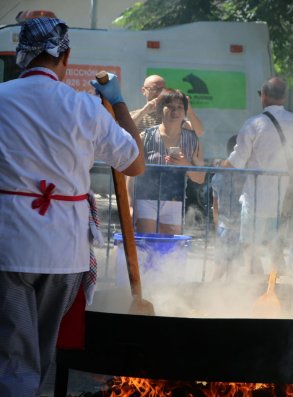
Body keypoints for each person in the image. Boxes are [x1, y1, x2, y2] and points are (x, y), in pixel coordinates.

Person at [0, 17, 144, 396]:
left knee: (14, 359)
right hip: (64, 253)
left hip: (8, 247)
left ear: (21, 56)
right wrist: (118, 102)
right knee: (40, 355)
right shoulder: (84, 107)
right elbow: (135, 164)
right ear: (66, 56)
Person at [220, 77, 293, 275]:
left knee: (251, 248)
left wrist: (218, 165)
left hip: (256, 198)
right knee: (276, 248)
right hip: (283, 199)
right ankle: (279, 290)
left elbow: (236, 161)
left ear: (264, 96)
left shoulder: (254, 124)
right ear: (285, 96)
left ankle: (253, 286)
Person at [129, 88, 205, 235]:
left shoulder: (193, 140)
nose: (175, 111)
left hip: (174, 199)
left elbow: (200, 178)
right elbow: (131, 173)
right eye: (169, 106)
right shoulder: (146, 136)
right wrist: (131, 204)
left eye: (179, 107)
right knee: (148, 244)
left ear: (185, 111)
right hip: (146, 197)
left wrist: (185, 165)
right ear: (160, 109)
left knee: (169, 250)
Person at [211, 135, 245, 280]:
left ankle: (212, 289)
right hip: (239, 225)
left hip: (223, 225)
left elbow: (215, 204)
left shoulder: (218, 176)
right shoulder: (247, 175)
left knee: (222, 262)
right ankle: (228, 291)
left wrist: (216, 222)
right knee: (233, 264)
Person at [130, 74, 204, 136]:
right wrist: (144, 110)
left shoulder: (170, 113)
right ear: (143, 91)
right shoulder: (135, 114)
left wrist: (189, 110)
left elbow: (198, 132)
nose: (159, 93)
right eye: (155, 89)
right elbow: (124, 129)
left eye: (162, 89)